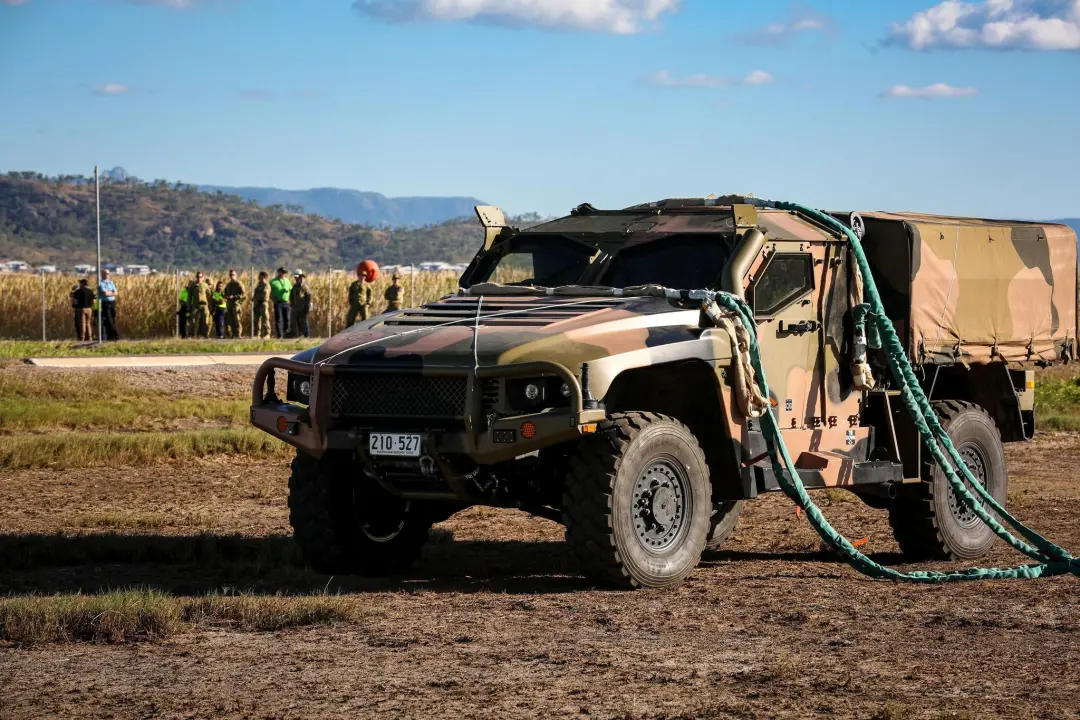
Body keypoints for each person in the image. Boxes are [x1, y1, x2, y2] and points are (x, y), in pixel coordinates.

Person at [185, 272, 211, 338]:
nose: (199, 278)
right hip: (195, 305)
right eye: (198, 277)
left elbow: (209, 295)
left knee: (205, 320)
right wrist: (188, 305)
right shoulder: (193, 286)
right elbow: (189, 296)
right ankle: (191, 334)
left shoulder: (205, 285)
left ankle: (205, 334)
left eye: (200, 277)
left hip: (204, 305)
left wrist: (210, 305)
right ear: (196, 277)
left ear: (202, 277)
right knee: (193, 320)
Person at [270, 267, 292, 338]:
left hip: (286, 302)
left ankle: (286, 333)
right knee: (279, 319)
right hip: (278, 303)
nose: (284, 274)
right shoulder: (273, 282)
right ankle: (280, 335)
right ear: (278, 272)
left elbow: (291, 290)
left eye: (285, 273)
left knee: (287, 319)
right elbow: (269, 293)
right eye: (282, 272)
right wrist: (273, 299)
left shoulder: (287, 281)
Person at [97, 268, 119, 341]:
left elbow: (116, 292)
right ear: (102, 274)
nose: (107, 275)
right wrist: (111, 293)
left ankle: (110, 336)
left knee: (113, 319)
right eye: (105, 273)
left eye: (108, 273)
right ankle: (115, 335)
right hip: (105, 303)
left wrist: (110, 293)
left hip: (112, 302)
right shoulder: (100, 283)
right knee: (108, 319)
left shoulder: (111, 282)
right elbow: (104, 293)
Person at [223, 268, 246, 338]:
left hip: (236, 304)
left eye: (233, 275)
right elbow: (225, 293)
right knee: (230, 320)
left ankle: (238, 334)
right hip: (229, 304)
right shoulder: (228, 285)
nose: (231, 276)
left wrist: (235, 297)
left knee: (237, 319)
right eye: (230, 275)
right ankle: (233, 334)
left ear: (236, 275)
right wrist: (226, 297)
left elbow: (244, 295)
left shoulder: (238, 284)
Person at [290, 271, 313, 338]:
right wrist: (292, 304)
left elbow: (308, 296)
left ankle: (306, 335)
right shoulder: (295, 286)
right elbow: (292, 295)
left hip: (303, 307)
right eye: (300, 278)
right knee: (297, 321)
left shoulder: (305, 287)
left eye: (303, 278)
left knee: (304, 321)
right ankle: (299, 334)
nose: (301, 279)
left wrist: (307, 306)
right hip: (296, 307)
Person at [252, 271, 271, 338]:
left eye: (259, 276)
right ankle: (257, 334)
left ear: (263, 276)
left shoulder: (266, 285)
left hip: (263, 304)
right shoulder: (258, 286)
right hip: (257, 304)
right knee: (257, 320)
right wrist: (254, 300)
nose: (258, 277)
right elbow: (255, 294)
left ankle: (267, 334)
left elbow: (265, 295)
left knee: (265, 319)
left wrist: (258, 299)